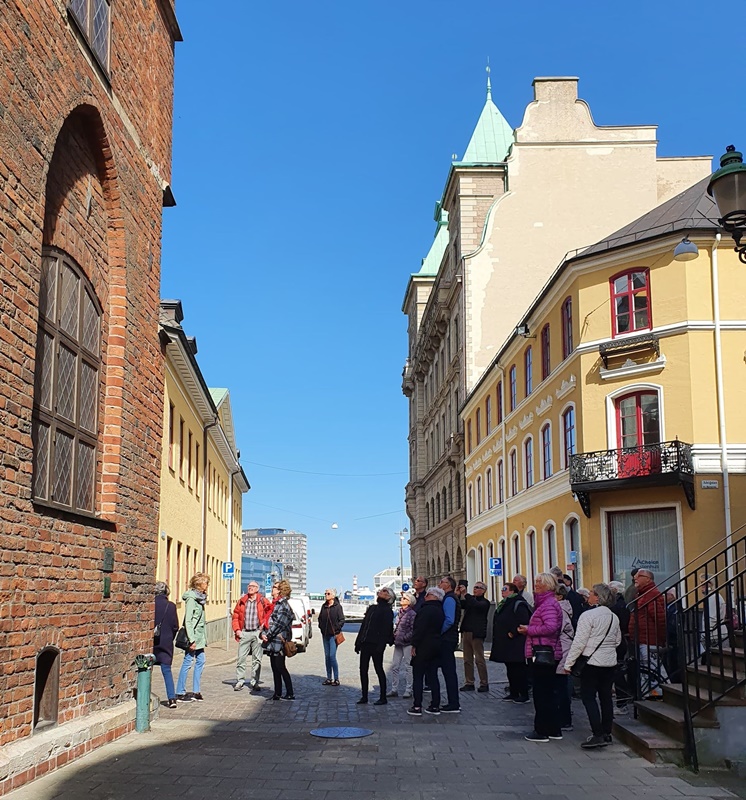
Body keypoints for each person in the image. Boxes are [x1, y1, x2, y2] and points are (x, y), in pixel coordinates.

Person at [564, 583, 622, 749]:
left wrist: (569, 663)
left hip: (591, 662)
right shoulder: (613, 616)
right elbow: (617, 640)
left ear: (598, 597)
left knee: (588, 697)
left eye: (591, 593)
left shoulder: (588, 615)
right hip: (609, 661)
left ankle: (597, 734)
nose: (588, 595)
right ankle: (607, 732)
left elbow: (579, 642)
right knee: (606, 697)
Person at [519, 572, 563, 742]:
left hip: (544, 653)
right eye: (536, 581)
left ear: (547, 585)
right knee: (548, 692)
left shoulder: (548, 604)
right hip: (545, 651)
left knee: (542, 693)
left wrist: (529, 630)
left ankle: (542, 731)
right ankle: (553, 729)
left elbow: (551, 627)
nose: (536, 585)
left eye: (539, 582)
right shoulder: (545, 603)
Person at [628, 569, 667, 698]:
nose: (635, 578)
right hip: (642, 638)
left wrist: (661, 639)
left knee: (652, 667)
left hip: (649, 639)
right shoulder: (642, 594)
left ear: (648, 579)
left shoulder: (651, 595)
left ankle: (660, 692)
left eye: (639, 576)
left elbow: (659, 618)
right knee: (647, 668)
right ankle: (651, 693)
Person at [489, 582, 531, 702]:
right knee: (511, 668)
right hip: (506, 643)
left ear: (512, 591)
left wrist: (513, 632)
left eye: (505, 589)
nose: (502, 591)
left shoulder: (519, 603)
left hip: (516, 642)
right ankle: (514, 692)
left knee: (519, 669)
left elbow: (524, 620)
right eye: (502, 589)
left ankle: (523, 694)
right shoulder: (504, 603)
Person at [408, 586, 445, 716]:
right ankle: (435, 705)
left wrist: (414, 644)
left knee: (418, 676)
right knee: (433, 676)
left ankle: (417, 706)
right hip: (436, 645)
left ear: (434, 596)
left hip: (423, 646)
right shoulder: (440, 610)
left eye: (428, 594)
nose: (425, 596)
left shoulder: (425, 610)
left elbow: (419, 629)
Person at [355, 587, 395, 705]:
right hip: (365, 643)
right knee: (363, 669)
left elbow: (386, 630)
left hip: (376, 644)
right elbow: (364, 625)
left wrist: (381, 646)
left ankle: (383, 697)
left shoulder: (387, 611)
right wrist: (358, 642)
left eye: (385, 591)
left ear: (389, 597)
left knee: (379, 669)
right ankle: (364, 696)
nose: (381, 591)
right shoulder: (372, 608)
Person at [231, 580, 273, 692]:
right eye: (249, 586)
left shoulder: (263, 600)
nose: (250, 588)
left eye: (253, 586)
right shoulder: (242, 601)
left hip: (257, 633)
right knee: (241, 658)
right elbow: (235, 616)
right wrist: (237, 630)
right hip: (244, 632)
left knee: (257, 660)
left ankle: (255, 682)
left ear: (257, 589)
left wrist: (264, 626)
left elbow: (270, 614)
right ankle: (240, 681)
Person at [176, 572, 210, 702]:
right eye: (206, 583)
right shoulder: (191, 598)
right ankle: (180, 692)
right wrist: (192, 640)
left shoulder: (200, 598)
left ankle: (196, 691)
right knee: (188, 661)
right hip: (193, 637)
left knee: (201, 660)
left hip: (199, 637)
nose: (207, 585)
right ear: (199, 584)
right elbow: (188, 620)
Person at [261, 580, 295, 700]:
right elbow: (268, 621)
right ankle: (277, 693)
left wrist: (268, 634)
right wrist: (263, 633)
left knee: (280, 667)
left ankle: (290, 692)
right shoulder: (276, 604)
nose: (272, 588)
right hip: (272, 641)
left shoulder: (283, 605)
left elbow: (278, 624)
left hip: (279, 641)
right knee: (275, 667)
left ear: (280, 590)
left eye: (275, 587)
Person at [456, 580, 491, 692]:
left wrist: (466, 594)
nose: (475, 589)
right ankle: (469, 682)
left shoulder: (485, 602)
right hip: (466, 631)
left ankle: (484, 683)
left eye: (478, 587)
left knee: (479, 659)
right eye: (474, 587)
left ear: (483, 591)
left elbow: (476, 605)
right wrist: (458, 595)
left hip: (477, 633)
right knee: (467, 660)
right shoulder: (471, 600)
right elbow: (461, 605)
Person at [435, 575, 461, 713]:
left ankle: (453, 702)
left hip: (447, 638)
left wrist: (439, 632)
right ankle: (453, 701)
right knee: (448, 670)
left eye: (442, 582)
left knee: (449, 671)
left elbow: (449, 620)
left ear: (449, 585)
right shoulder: (449, 598)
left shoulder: (449, 599)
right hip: (449, 637)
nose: (439, 584)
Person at [153, 581, 179, 709]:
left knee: (146, 669)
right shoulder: (171, 606)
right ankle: (172, 698)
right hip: (166, 642)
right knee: (167, 671)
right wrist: (170, 637)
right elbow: (175, 626)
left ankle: (144, 695)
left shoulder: (150, 604)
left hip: (151, 641)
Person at [609, 580, 632, 713]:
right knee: (618, 671)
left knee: (617, 672)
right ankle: (622, 700)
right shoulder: (620, 604)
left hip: (618, 641)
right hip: (619, 640)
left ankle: (622, 702)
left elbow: (622, 624)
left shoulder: (618, 606)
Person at [388, 591, 416, 698]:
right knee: (395, 666)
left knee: (408, 666)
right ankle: (394, 688)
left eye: (404, 598)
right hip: (398, 642)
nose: (402, 599)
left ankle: (409, 689)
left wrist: (405, 637)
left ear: (409, 602)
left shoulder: (412, 614)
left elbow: (413, 629)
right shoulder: (399, 612)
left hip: (407, 643)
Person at [555, 583, 575, 731]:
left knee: (561, 685)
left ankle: (564, 719)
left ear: (559, 596)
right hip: (563, 647)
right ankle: (563, 717)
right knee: (562, 684)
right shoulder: (564, 607)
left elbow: (555, 629)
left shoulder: (560, 610)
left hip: (562, 648)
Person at [318, 587, 345, 685]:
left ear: (333, 596)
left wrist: (336, 629)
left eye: (328, 593)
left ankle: (336, 678)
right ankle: (329, 678)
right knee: (327, 657)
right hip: (325, 635)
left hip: (334, 635)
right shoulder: (324, 606)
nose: (326, 595)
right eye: (325, 594)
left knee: (332, 656)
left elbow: (342, 620)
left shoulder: (337, 607)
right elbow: (320, 618)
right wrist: (321, 627)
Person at [700, 578, 728, 661]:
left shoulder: (713, 598)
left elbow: (712, 618)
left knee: (717, 659)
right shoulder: (712, 597)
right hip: (716, 633)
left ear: (710, 585)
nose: (701, 587)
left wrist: (705, 633)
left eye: (704, 584)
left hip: (715, 634)